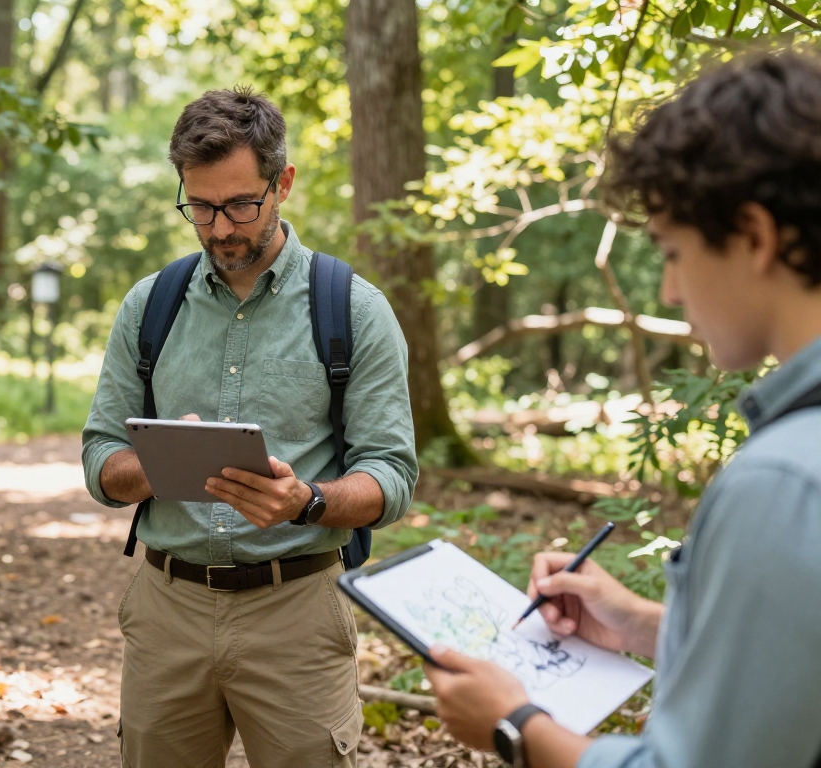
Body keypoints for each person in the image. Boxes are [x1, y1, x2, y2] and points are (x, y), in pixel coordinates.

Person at [424, 52, 821, 768]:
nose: (669, 290)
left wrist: (516, 725)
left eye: (673, 252)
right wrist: (642, 624)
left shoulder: (784, 482)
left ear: (757, 237)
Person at [82, 86, 419, 767]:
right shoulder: (151, 305)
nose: (220, 227)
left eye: (240, 203)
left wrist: (310, 501)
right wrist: (162, 460)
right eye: (199, 206)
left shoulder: (353, 308)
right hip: (166, 608)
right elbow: (100, 461)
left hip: (295, 608)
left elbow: (393, 475)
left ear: (283, 183)